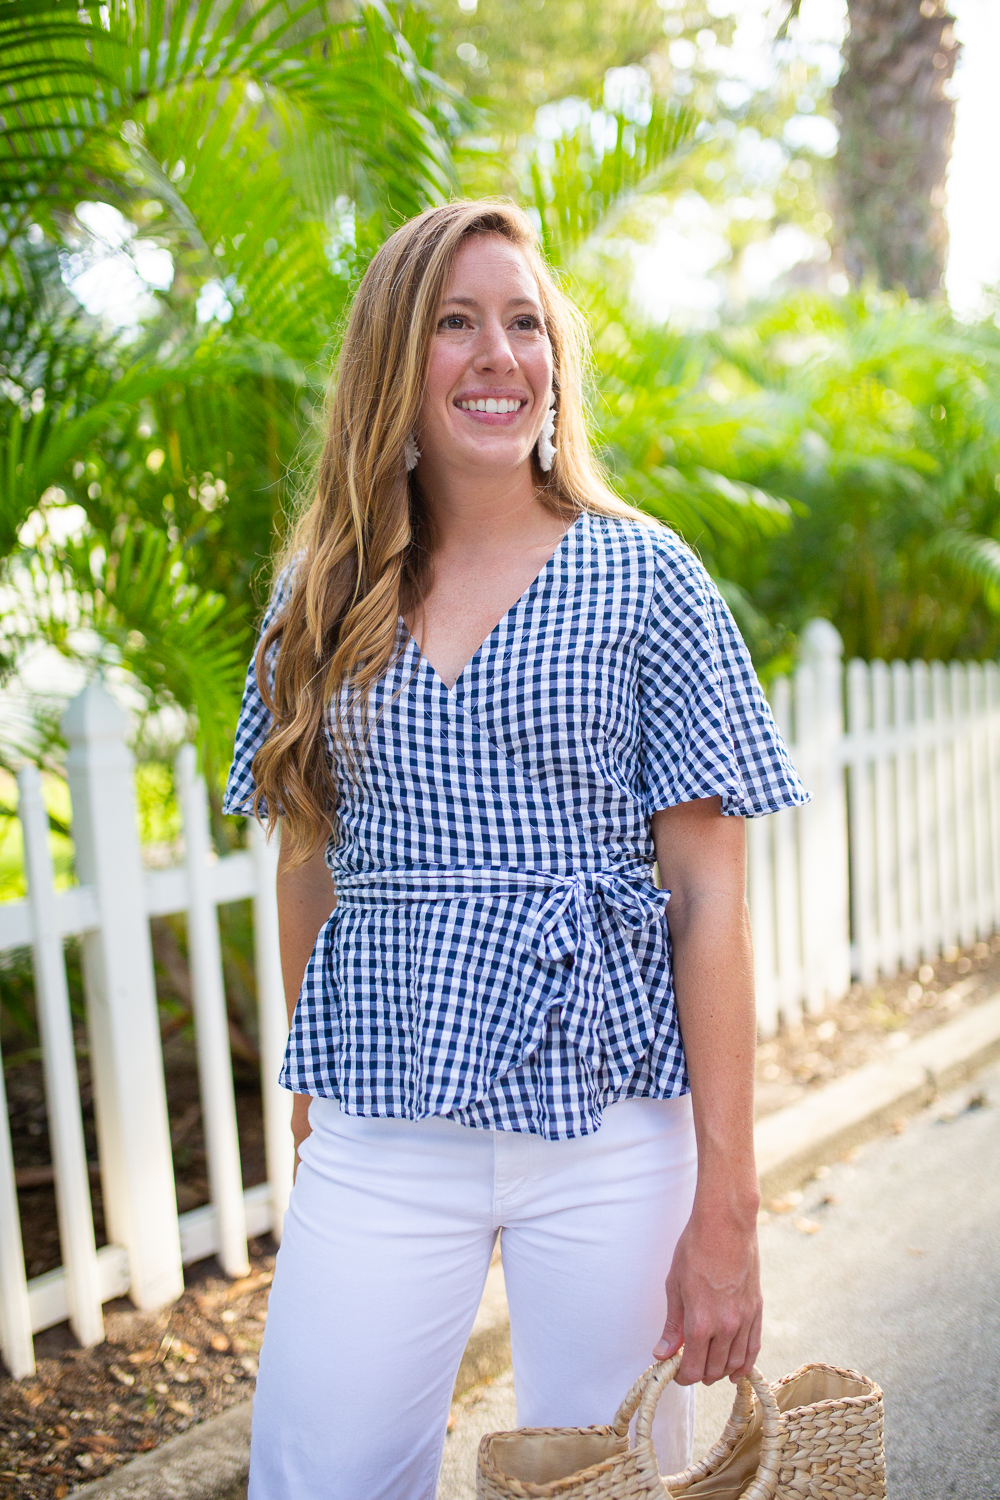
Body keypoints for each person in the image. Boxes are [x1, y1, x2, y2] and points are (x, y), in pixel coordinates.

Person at [222, 199, 808, 1500]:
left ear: (557, 358)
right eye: (456, 323)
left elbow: (710, 895)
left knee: (609, 1477)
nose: (500, 355)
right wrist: (318, 1125)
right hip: (383, 1132)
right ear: (393, 361)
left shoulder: (646, 575)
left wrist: (729, 1203)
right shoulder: (320, 591)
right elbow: (307, 863)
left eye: (526, 323)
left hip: (607, 1130)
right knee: (318, 1475)